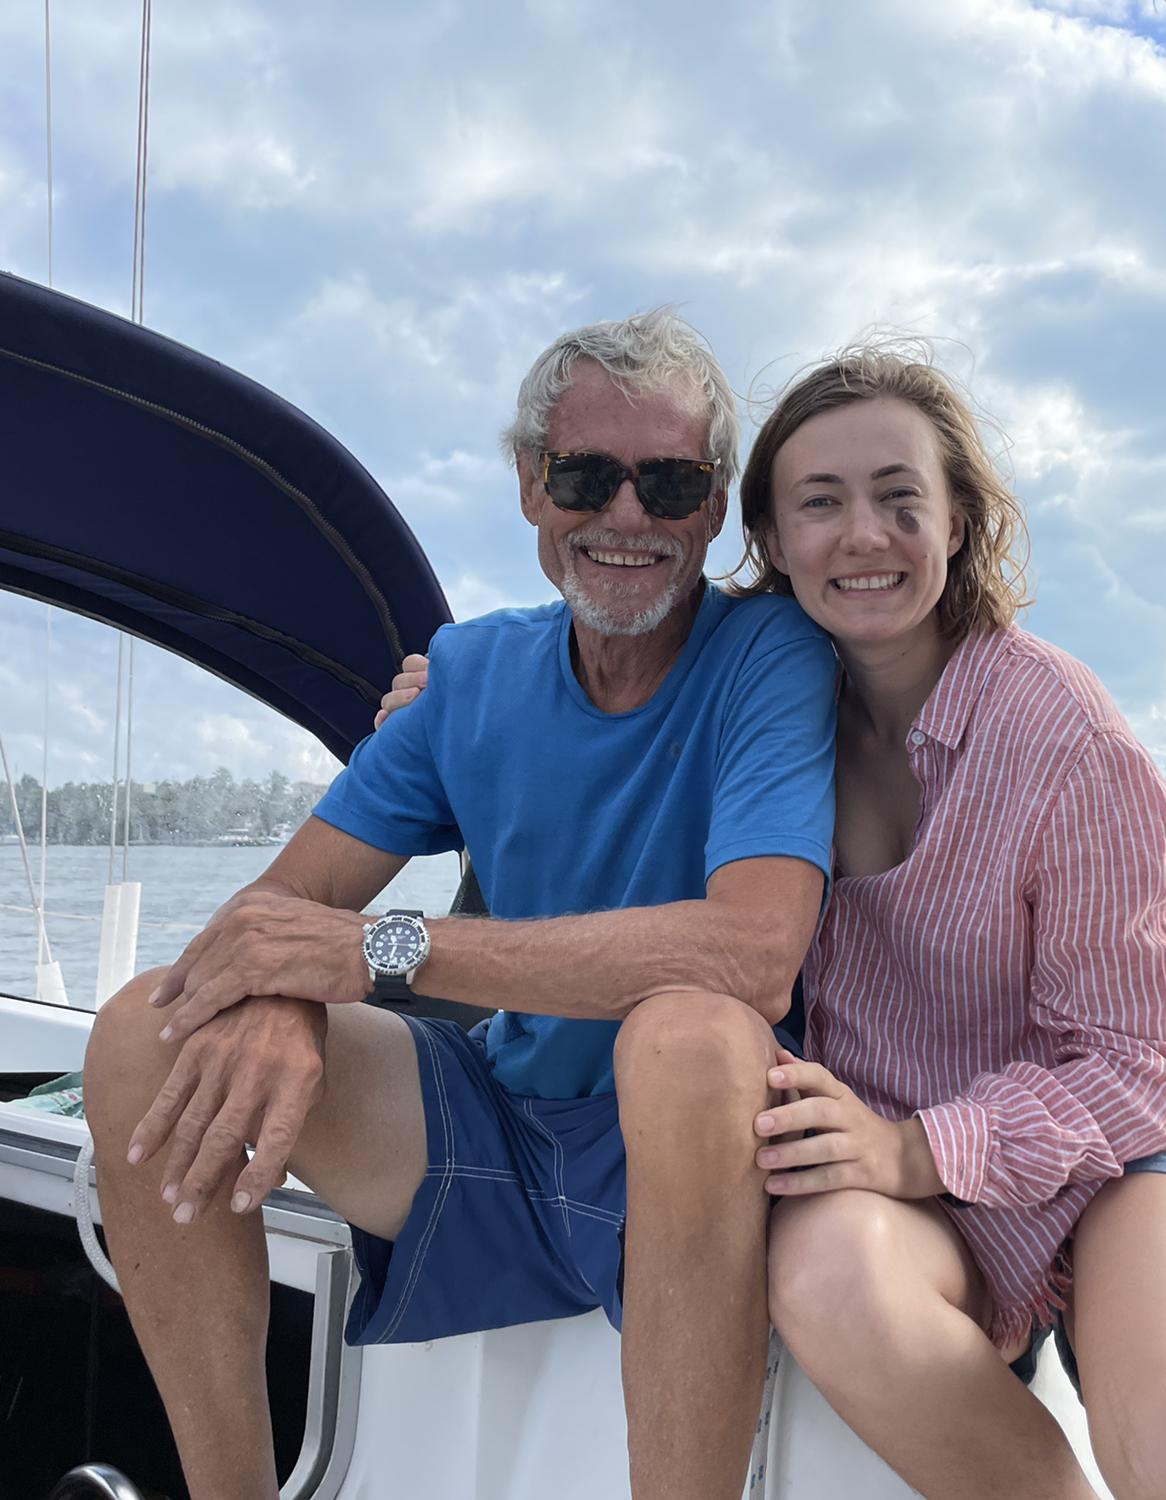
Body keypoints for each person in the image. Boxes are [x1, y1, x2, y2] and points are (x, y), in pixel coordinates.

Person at [382, 346, 1166, 1499]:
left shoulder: (1065, 738)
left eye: (899, 499)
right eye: (819, 504)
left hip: (1111, 1150)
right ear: (772, 542)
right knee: (826, 1280)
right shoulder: (757, 713)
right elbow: (595, 674)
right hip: (905, 1167)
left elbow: (1134, 1069)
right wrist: (458, 695)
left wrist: (915, 1149)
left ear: (959, 524)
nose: (863, 536)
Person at [82, 308, 839, 1500]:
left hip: (693, 1155)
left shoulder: (772, 657)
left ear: (714, 504)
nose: (629, 516)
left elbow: (754, 955)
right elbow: (271, 919)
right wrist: (286, 993)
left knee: (689, 1036)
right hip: (502, 1122)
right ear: (532, 485)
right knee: (148, 1031)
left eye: (672, 481)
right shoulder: (469, 672)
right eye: (588, 475)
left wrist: (368, 949)